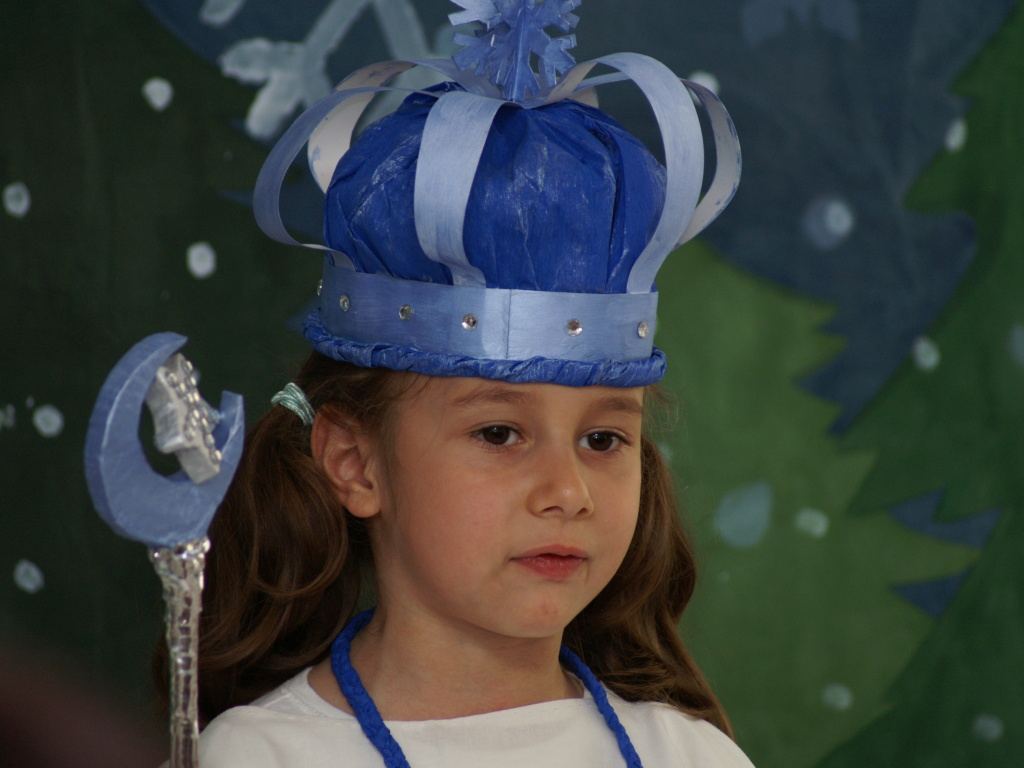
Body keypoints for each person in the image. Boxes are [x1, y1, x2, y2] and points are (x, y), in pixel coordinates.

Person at [169, 4, 751, 765]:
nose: (568, 492)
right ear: (354, 462)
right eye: (499, 433)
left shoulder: (691, 755)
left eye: (603, 439)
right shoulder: (261, 756)